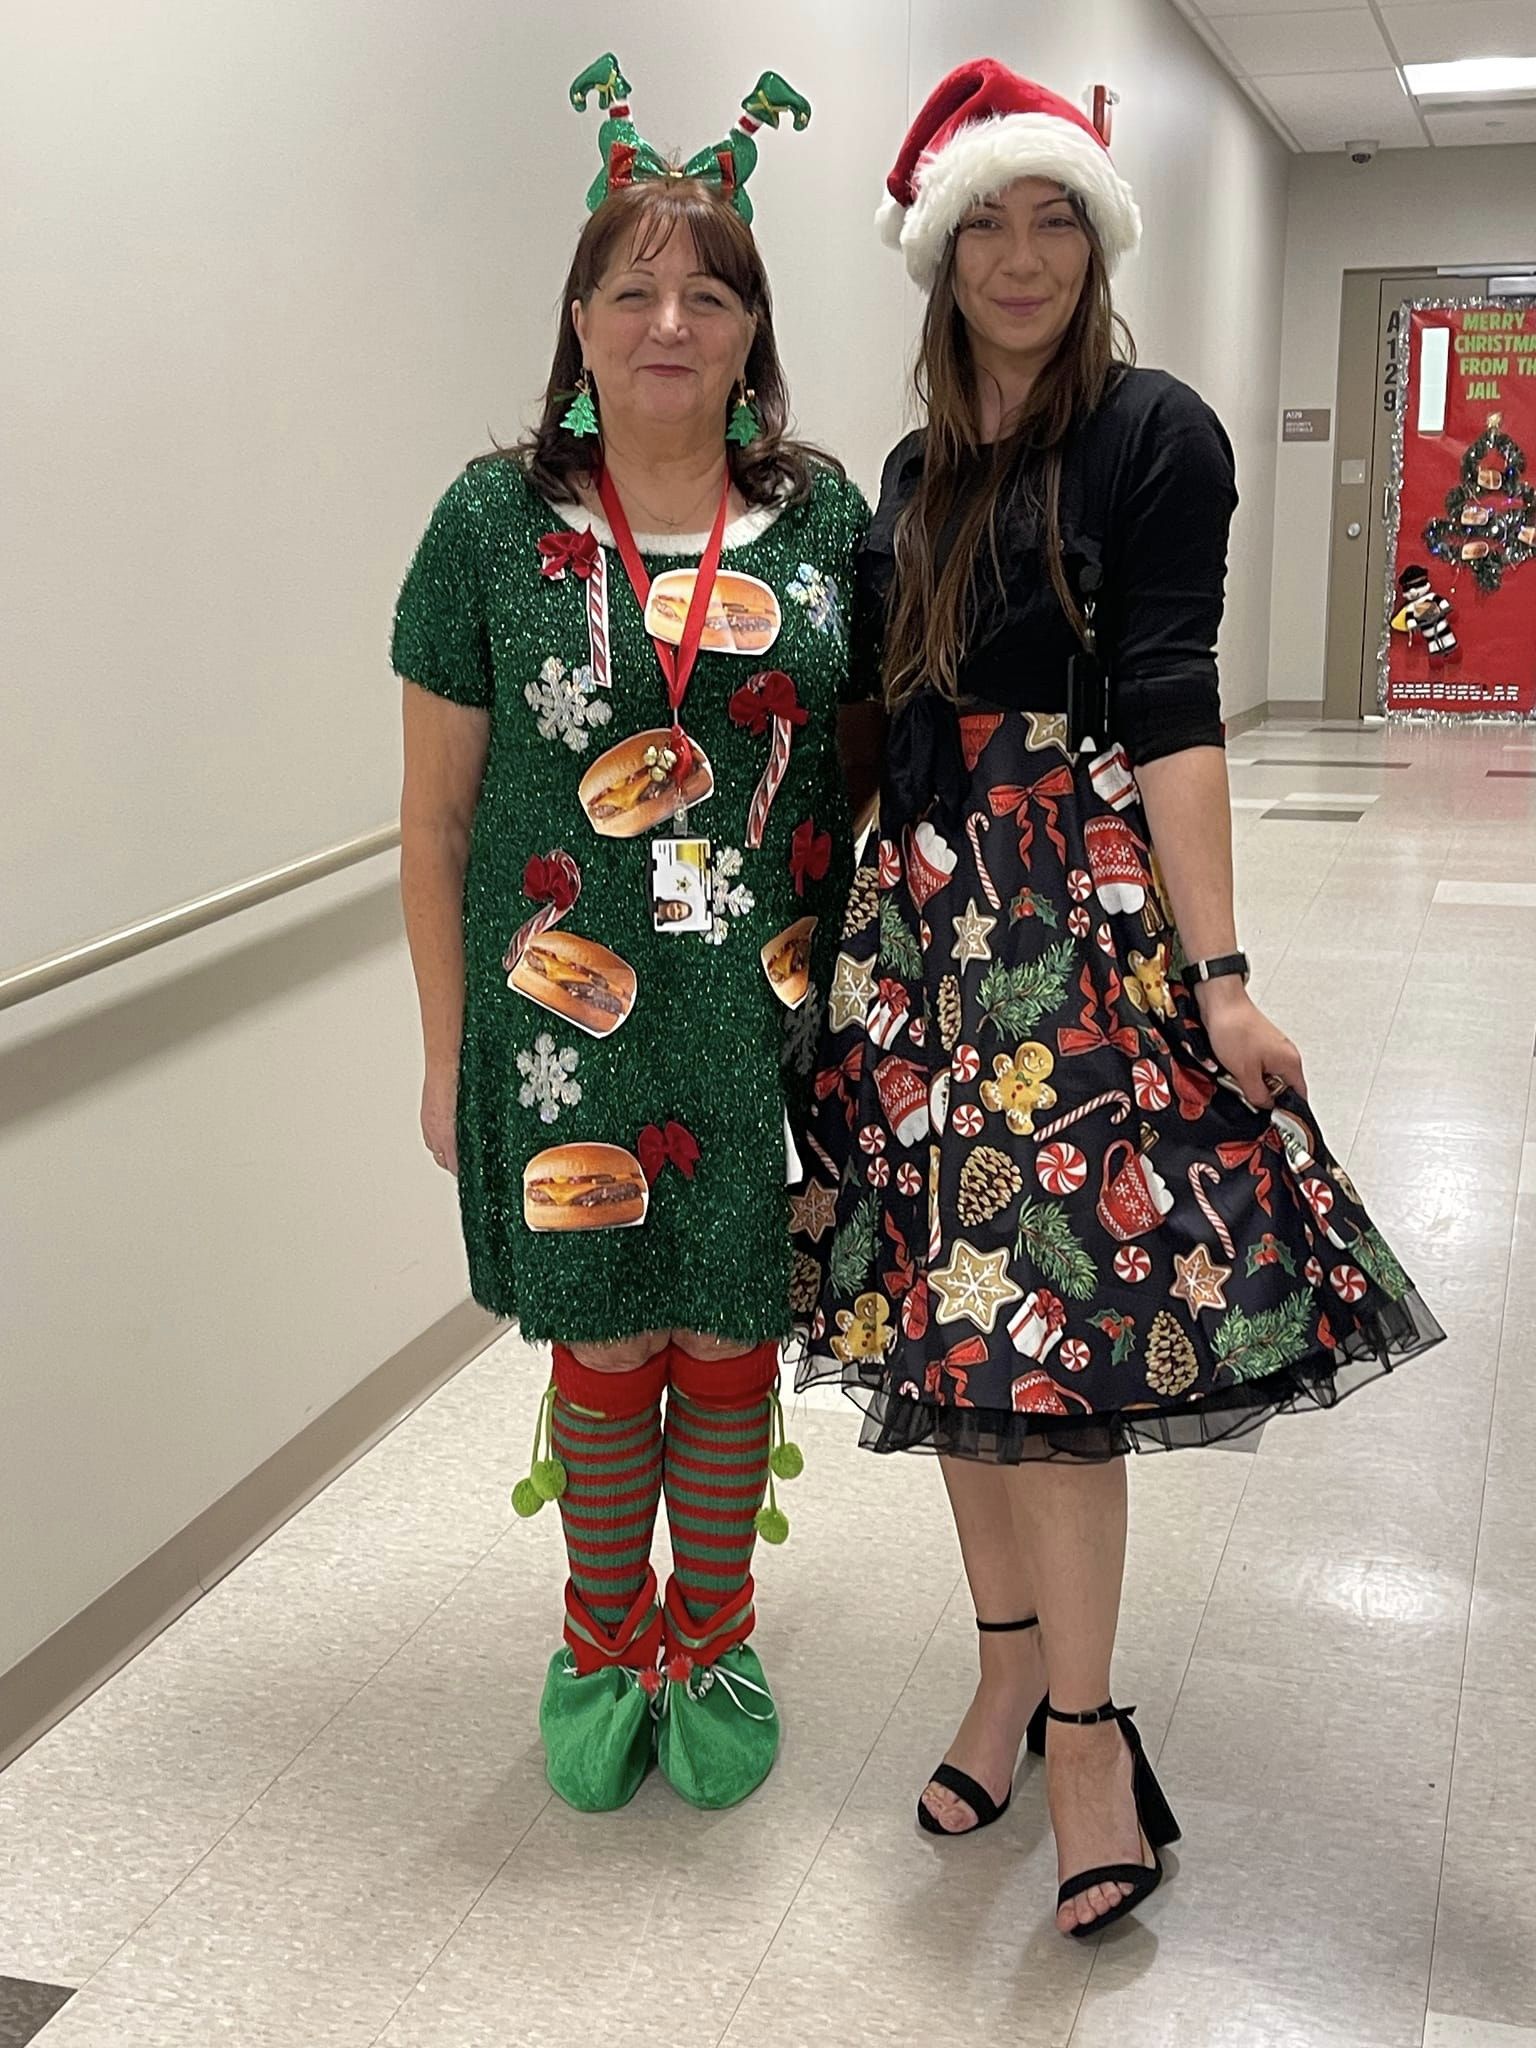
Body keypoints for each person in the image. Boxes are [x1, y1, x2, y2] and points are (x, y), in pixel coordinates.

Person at [790, 58, 1443, 1936]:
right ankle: (1005, 1671)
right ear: (938, 256)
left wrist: (1219, 975)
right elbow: (874, 727)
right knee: (951, 1338)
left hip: (1065, 939)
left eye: (1050, 214)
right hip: (916, 947)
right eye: (982, 222)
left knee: (1055, 1353)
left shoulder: (1157, 434)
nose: (1017, 254)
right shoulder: (913, 470)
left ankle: (1088, 1731)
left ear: (1095, 238)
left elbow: (1168, 697)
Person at [393, 53, 869, 1815]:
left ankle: (718, 1626)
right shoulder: (487, 523)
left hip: (759, 1015)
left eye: (710, 290)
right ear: (579, 323)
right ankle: (605, 1634)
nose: (670, 319)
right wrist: (444, 1051)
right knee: (603, 1335)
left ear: (752, 330)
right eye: (632, 288)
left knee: (730, 1327)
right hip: (554, 1018)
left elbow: (872, 762)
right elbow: (437, 819)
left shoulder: (822, 519)